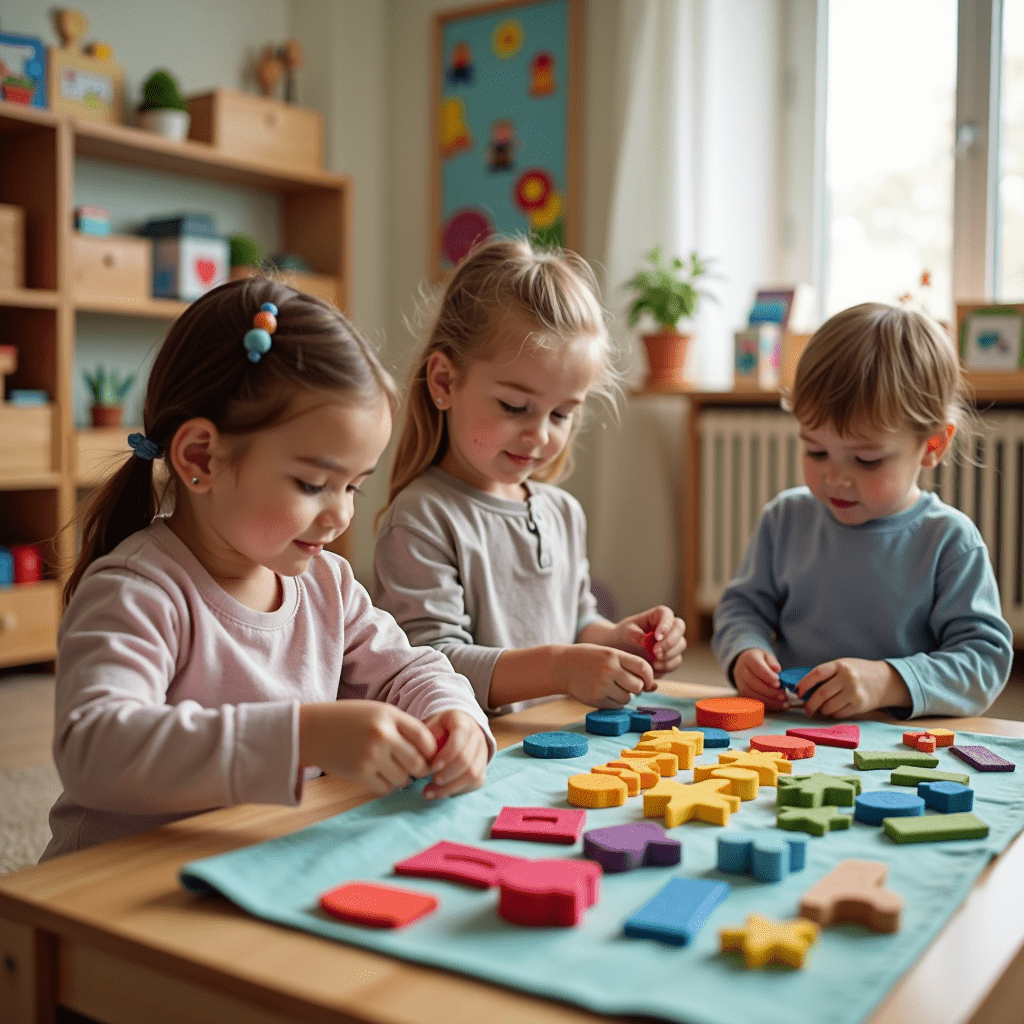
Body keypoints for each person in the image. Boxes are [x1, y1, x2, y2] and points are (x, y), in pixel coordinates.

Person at [42, 278, 494, 860]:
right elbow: (94, 750)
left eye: (353, 485)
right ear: (200, 457)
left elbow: (407, 669)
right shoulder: (136, 590)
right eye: (312, 484)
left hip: (246, 866)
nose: (339, 514)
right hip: (108, 897)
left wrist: (452, 715)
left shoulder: (326, 582)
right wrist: (305, 735)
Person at [372, 236, 686, 716]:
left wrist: (620, 641)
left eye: (562, 414)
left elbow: (575, 621)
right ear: (444, 382)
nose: (538, 435)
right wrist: (562, 667)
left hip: (556, 741)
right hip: (475, 755)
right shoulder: (420, 518)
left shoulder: (562, 511)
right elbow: (433, 665)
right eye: (515, 406)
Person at [712, 302, 1013, 719]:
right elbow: (740, 608)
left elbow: (984, 663)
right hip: (792, 732)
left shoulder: (949, 541)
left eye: (867, 460)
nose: (836, 478)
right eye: (816, 451)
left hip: (901, 746)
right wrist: (745, 651)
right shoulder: (786, 519)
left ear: (933, 446)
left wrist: (888, 681)